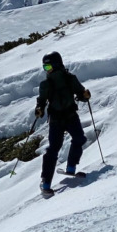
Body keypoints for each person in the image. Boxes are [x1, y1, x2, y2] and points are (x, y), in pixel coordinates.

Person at [34, 51, 90, 196]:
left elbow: (80, 93)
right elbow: (41, 100)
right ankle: (46, 181)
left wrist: (85, 95)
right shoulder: (45, 85)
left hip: (70, 116)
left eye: (48, 67)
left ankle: (71, 167)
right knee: (54, 148)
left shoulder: (70, 79)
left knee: (79, 139)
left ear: (57, 65)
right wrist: (39, 109)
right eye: (44, 67)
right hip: (56, 120)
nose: (46, 70)